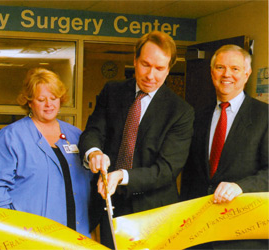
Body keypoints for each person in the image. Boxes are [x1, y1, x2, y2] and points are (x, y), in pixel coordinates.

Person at [78, 31, 195, 248]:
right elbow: (93, 131)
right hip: (110, 205)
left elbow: (167, 169)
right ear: (135, 61)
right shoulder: (112, 91)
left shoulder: (181, 112)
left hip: (153, 212)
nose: (151, 75)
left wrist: (122, 176)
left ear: (169, 69)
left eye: (159, 68)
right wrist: (94, 152)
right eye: (145, 64)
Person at [0, 68, 93, 237]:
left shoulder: (76, 135)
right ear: (29, 101)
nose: (49, 104)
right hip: (30, 237)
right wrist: (6, 232)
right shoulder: (11, 136)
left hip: (77, 234)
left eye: (54, 98)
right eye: (41, 99)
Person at [181, 45, 268, 249]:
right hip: (199, 235)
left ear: (247, 74)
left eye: (235, 69)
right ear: (212, 73)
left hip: (243, 238)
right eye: (220, 67)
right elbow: (189, 175)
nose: (227, 74)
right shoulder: (196, 116)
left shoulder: (265, 116)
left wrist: (241, 186)